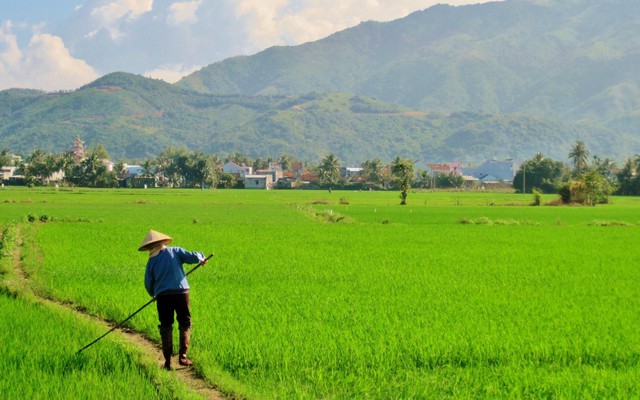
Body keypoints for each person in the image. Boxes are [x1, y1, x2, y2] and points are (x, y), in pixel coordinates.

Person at [138, 229, 207, 370]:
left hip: (163, 296)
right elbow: (192, 256)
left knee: (165, 325)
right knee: (185, 322)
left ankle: (168, 360)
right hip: (181, 293)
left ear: (151, 247)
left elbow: (148, 283)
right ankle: (183, 356)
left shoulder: (151, 261)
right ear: (162, 242)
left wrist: (154, 294)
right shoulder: (175, 251)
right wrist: (201, 258)